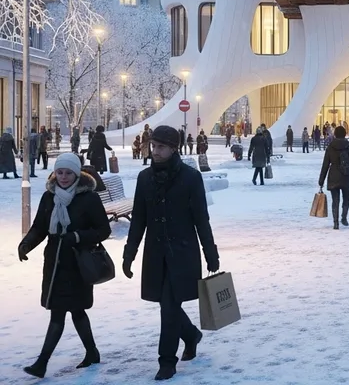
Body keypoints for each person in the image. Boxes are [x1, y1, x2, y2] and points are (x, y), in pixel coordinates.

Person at [122, 126, 219, 380]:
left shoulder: (190, 177)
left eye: (161, 147)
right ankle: (191, 335)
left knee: (169, 306)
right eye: (153, 146)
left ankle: (167, 361)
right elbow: (139, 219)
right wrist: (129, 253)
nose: (155, 151)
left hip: (182, 254)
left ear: (174, 148)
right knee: (167, 304)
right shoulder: (144, 178)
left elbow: (201, 219)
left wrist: (211, 253)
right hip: (155, 255)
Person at [17, 152, 111, 377]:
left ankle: (42, 363)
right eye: (60, 172)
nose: (64, 177)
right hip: (55, 263)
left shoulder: (89, 198)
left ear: (77, 174)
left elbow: (103, 230)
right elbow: (40, 227)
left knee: (60, 312)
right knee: (75, 310)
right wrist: (26, 244)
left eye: (68, 173)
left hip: (78, 264)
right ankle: (92, 352)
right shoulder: (49, 197)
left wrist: (77, 237)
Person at [318, 125, 349, 230]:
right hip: (346, 175)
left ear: (335, 134)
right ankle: (344, 217)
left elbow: (325, 165)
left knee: (335, 200)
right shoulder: (348, 146)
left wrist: (321, 181)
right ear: (344, 134)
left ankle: (335, 222)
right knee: (346, 198)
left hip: (333, 175)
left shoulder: (330, 147)